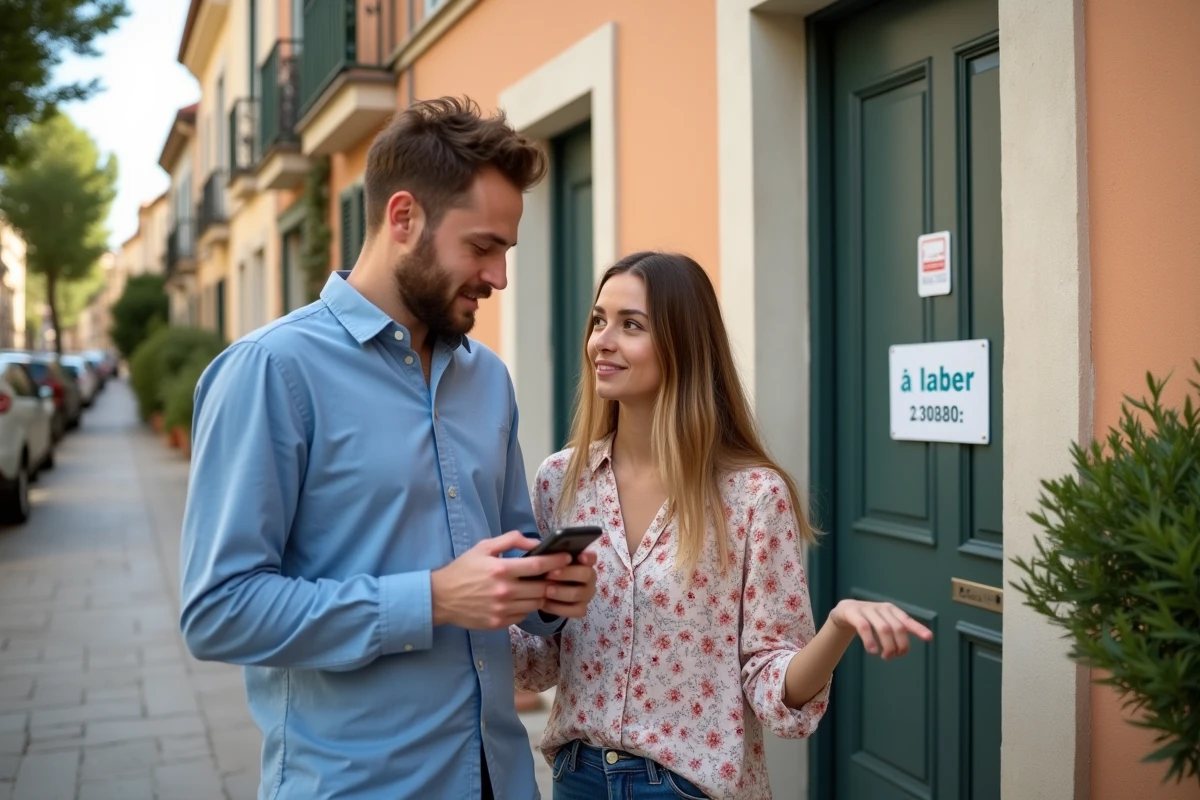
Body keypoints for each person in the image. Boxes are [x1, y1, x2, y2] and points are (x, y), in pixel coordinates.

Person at [178, 97, 598, 800]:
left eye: (505, 251)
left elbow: (510, 546)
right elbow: (219, 609)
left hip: (502, 776)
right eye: (482, 246)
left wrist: (548, 592)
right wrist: (431, 599)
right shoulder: (272, 372)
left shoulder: (487, 378)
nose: (498, 277)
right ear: (404, 218)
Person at [510, 251, 933, 799]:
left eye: (630, 325)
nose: (602, 341)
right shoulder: (560, 481)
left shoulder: (752, 496)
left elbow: (776, 694)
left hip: (690, 788)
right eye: (599, 320)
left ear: (684, 345)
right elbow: (537, 663)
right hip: (577, 778)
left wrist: (836, 628)